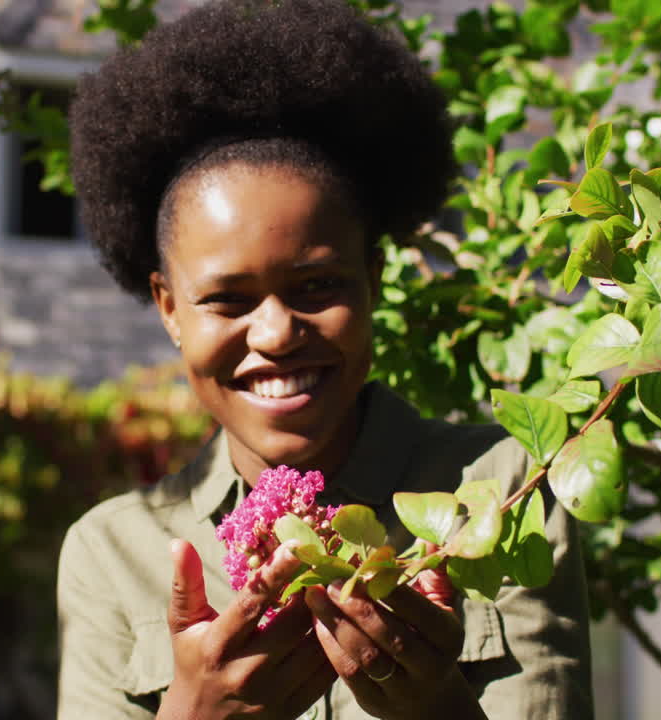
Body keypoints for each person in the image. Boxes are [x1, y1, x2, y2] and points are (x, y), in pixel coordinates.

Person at [56, 0, 593, 717]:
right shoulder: (113, 552)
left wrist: (437, 706)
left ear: (373, 280)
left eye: (316, 287)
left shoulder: (499, 491)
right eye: (228, 300)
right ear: (168, 308)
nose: (276, 333)